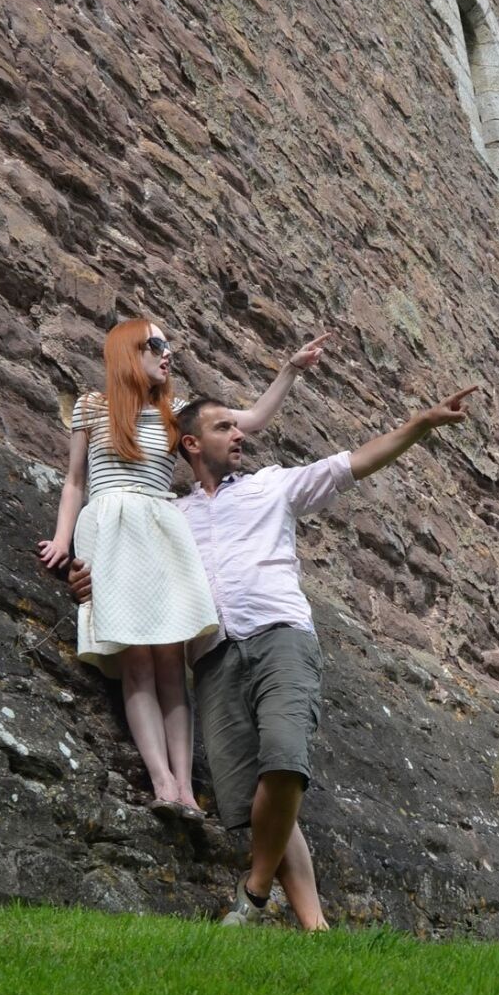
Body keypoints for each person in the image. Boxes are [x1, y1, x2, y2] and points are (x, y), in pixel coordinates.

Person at [71, 385, 477, 927]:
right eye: (224, 428)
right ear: (190, 444)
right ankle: (316, 927)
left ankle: (256, 890)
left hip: (280, 636)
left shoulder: (273, 487)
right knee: (251, 800)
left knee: (285, 758)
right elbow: (125, 561)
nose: (240, 434)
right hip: (211, 659)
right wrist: (84, 579)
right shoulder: (170, 516)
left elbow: (353, 463)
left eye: (238, 427)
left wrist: (419, 424)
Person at [39, 317, 330, 821]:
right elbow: (74, 482)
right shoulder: (91, 408)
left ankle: (188, 789)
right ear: (129, 351)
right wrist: (62, 542)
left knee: (173, 665)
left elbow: (253, 419)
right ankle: (163, 782)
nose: (166, 353)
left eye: (168, 345)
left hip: (161, 529)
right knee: (136, 663)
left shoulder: (174, 413)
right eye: (155, 345)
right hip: (109, 527)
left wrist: (289, 369)